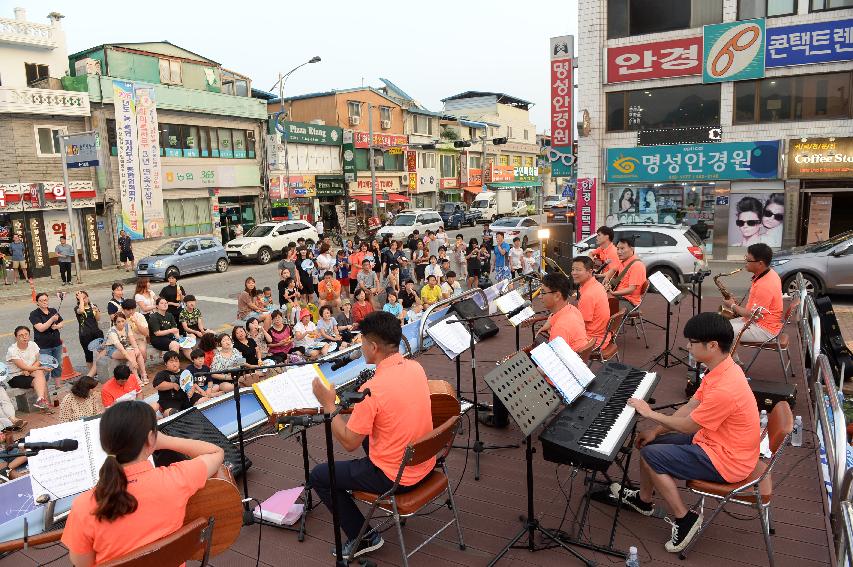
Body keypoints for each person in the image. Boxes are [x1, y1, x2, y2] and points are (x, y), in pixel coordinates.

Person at [614, 312, 760, 553]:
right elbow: (690, 406)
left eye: (692, 343)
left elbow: (689, 425)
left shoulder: (725, 387)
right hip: (716, 441)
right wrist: (656, 430)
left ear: (712, 345)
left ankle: (685, 519)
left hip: (728, 460)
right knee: (650, 445)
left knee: (652, 456)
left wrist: (650, 414)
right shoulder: (721, 368)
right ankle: (644, 500)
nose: (687, 347)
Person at [309, 312, 435, 559]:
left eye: (362, 341)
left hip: (397, 477)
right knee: (369, 433)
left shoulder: (372, 389)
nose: (361, 345)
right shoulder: (416, 367)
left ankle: (364, 537)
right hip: (425, 463)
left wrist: (328, 405)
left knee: (320, 476)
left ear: (373, 347)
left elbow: (348, 442)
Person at [61, 401, 224, 566]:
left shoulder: (84, 506)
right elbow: (216, 452)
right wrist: (164, 441)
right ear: (151, 438)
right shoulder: (176, 480)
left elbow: (81, 564)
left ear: (104, 443)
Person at [725, 243, 784, 346]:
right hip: (760, 322)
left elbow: (752, 315)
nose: (745, 263)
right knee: (721, 326)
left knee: (720, 331)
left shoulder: (765, 285)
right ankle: (731, 359)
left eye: (748, 260)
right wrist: (735, 305)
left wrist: (732, 305)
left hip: (764, 329)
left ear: (760, 263)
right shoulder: (770, 274)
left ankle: (723, 361)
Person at [5, 326, 50, 410]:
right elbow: (23, 367)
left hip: (29, 372)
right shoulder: (12, 350)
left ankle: (41, 400)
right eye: (21, 335)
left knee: (39, 374)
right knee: (40, 377)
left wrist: (29, 370)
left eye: (26, 334)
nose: (24, 337)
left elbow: (39, 360)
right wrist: (40, 368)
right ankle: (43, 402)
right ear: (16, 337)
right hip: (16, 377)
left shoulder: (33, 344)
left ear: (29, 335)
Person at [571, 257, 612, 348]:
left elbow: (581, 324)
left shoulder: (588, 295)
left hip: (593, 340)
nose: (574, 273)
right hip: (603, 336)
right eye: (573, 269)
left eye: (578, 270)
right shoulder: (597, 285)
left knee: (557, 334)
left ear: (590, 272)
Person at [104, 311, 149, 385]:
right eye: (118, 322)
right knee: (131, 353)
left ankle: (144, 374)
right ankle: (136, 378)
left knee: (137, 352)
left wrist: (136, 349)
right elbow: (121, 349)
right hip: (113, 349)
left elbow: (131, 339)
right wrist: (132, 361)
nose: (121, 323)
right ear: (115, 322)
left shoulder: (127, 326)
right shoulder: (112, 332)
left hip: (125, 346)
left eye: (123, 321)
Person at [29, 292, 64, 384]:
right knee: (45, 367)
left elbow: (61, 322)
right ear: (37, 302)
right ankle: (44, 388)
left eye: (46, 300)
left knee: (58, 365)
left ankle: (58, 385)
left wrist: (57, 326)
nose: (44, 302)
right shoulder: (34, 314)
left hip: (57, 343)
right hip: (43, 346)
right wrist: (51, 320)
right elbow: (41, 328)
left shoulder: (53, 310)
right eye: (42, 300)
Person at [609, 238, 647, 308]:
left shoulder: (637, 265)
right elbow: (613, 269)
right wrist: (606, 277)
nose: (619, 252)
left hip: (629, 302)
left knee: (600, 305)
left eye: (622, 248)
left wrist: (613, 293)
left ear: (632, 249)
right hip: (619, 297)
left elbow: (631, 289)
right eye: (617, 249)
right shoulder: (624, 262)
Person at [75, 290, 104, 373]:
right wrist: (80, 299)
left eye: (85, 297)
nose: (84, 299)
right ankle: (91, 374)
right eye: (81, 299)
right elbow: (81, 310)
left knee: (102, 351)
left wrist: (97, 310)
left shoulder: (93, 305)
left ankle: (102, 371)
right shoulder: (77, 308)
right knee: (88, 355)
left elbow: (98, 318)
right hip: (85, 334)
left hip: (96, 331)